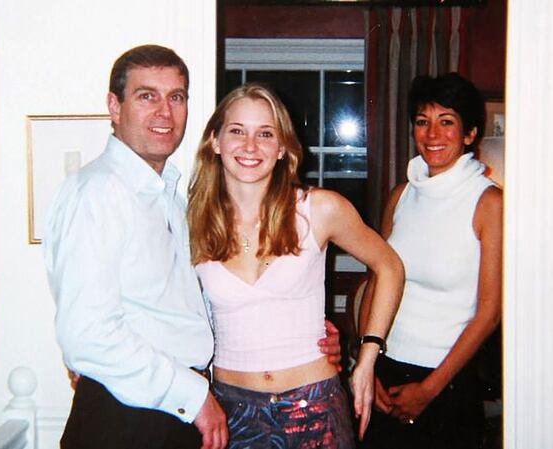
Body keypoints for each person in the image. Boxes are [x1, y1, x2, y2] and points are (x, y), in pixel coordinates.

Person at [43, 45, 341, 449]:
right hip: (128, 415)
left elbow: (187, 307)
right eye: (147, 95)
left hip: (177, 412)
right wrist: (194, 395)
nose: (164, 112)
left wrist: (298, 329)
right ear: (115, 106)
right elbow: (87, 334)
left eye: (176, 97)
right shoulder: (96, 192)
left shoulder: (176, 200)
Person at [187, 83, 405, 448]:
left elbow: (390, 266)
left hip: (315, 406)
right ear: (215, 141)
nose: (250, 146)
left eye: (266, 134)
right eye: (237, 131)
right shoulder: (191, 222)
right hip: (231, 411)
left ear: (283, 148)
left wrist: (367, 357)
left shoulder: (318, 209)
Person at [359, 72, 503, 449]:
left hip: (447, 383)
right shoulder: (401, 194)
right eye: (423, 122)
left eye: (447, 122)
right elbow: (376, 281)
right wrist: (366, 361)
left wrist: (429, 389)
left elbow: (489, 313)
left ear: (470, 134)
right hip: (385, 371)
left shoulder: (489, 204)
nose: (432, 134)